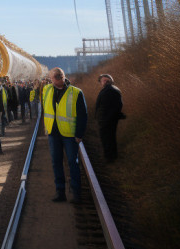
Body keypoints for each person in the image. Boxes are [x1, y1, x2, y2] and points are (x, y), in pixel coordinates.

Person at [44, 67, 87, 203]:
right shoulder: (47, 90)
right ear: (51, 79)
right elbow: (46, 110)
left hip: (69, 134)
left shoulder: (76, 92)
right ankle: (60, 192)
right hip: (53, 133)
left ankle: (76, 193)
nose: (57, 80)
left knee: (72, 163)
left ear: (63, 77)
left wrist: (79, 134)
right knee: (56, 162)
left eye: (59, 77)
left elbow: (83, 115)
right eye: (55, 78)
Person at [94, 74, 123, 162]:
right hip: (108, 119)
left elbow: (117, 106)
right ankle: (111, 157)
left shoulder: (110, 90)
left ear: (111, 81)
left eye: (107, 80)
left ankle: (109, 158)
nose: (105, 82)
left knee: (107, 139)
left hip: (107, 120)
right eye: (103, 80)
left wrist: (105, 119)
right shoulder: (111, 90)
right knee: (109, 138)